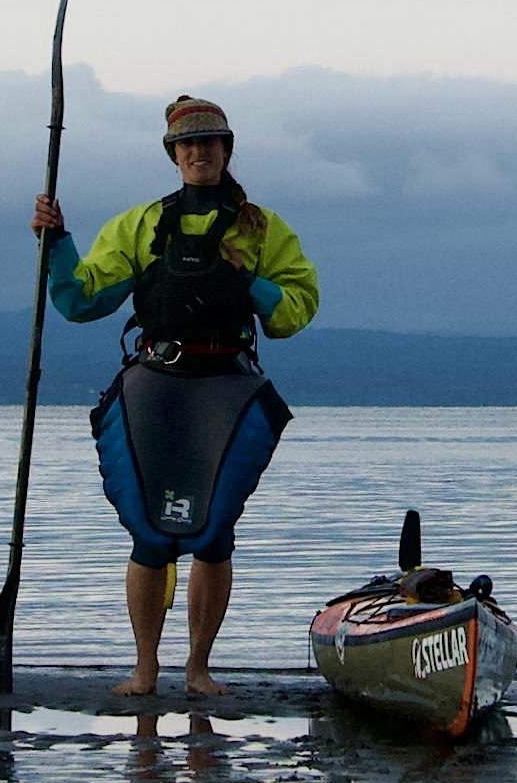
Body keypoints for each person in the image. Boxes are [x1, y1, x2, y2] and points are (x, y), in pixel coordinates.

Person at [33, 95, 319, 700]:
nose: (199, 151)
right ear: (173, 154)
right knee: (150, 534)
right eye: (188, 144)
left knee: (213, 532)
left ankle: (198, 669)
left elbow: (294, 313)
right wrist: (57, 242)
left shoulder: (260, 228)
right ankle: (145, 669)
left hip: (226, 384)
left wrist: (249, 279)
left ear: (226, 149)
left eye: (210, 141)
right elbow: (80, 301)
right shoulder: (141, 225)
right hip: (157, 382)